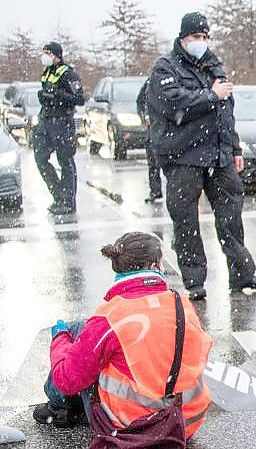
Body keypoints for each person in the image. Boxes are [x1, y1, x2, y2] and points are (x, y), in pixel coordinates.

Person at [34, 232, 212, 445]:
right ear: (155, 265)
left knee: (76, 333)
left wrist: (60, 338)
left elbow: (68, 380)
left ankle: (58, 408)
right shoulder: (180, 304)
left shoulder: (110, 317)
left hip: (134, 427)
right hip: (186, 421)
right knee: (93, 336)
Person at [147, 12, 256, 300]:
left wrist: (235, 148)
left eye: (204, 37)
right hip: (183, 156)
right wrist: (210, 96)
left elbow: (226, 114)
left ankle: (241, 274)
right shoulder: (165, 68)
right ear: (182, 38)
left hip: (218, 156)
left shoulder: (213, 66)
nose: (200, 42)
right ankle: (194, 281)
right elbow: (174, 106)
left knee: (231, 216)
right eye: (194, 37)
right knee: (186, 220)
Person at [33, 41, 84, 215]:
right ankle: (58, 196)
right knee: (41, 159)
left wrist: (59, 94)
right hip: (46, 121)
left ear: (57, 55)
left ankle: (68, 202)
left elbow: (79, 98)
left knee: (66, 162)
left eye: (48, 53)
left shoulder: (68, 74)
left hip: (62, 123)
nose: (45, 56)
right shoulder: (47, 72)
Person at [136, 78, 163, 203]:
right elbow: (140, 101)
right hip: (154, 129)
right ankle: (155, 191)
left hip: (168, 129)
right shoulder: (150, 83)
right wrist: (144, 117)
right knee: (153, 163)